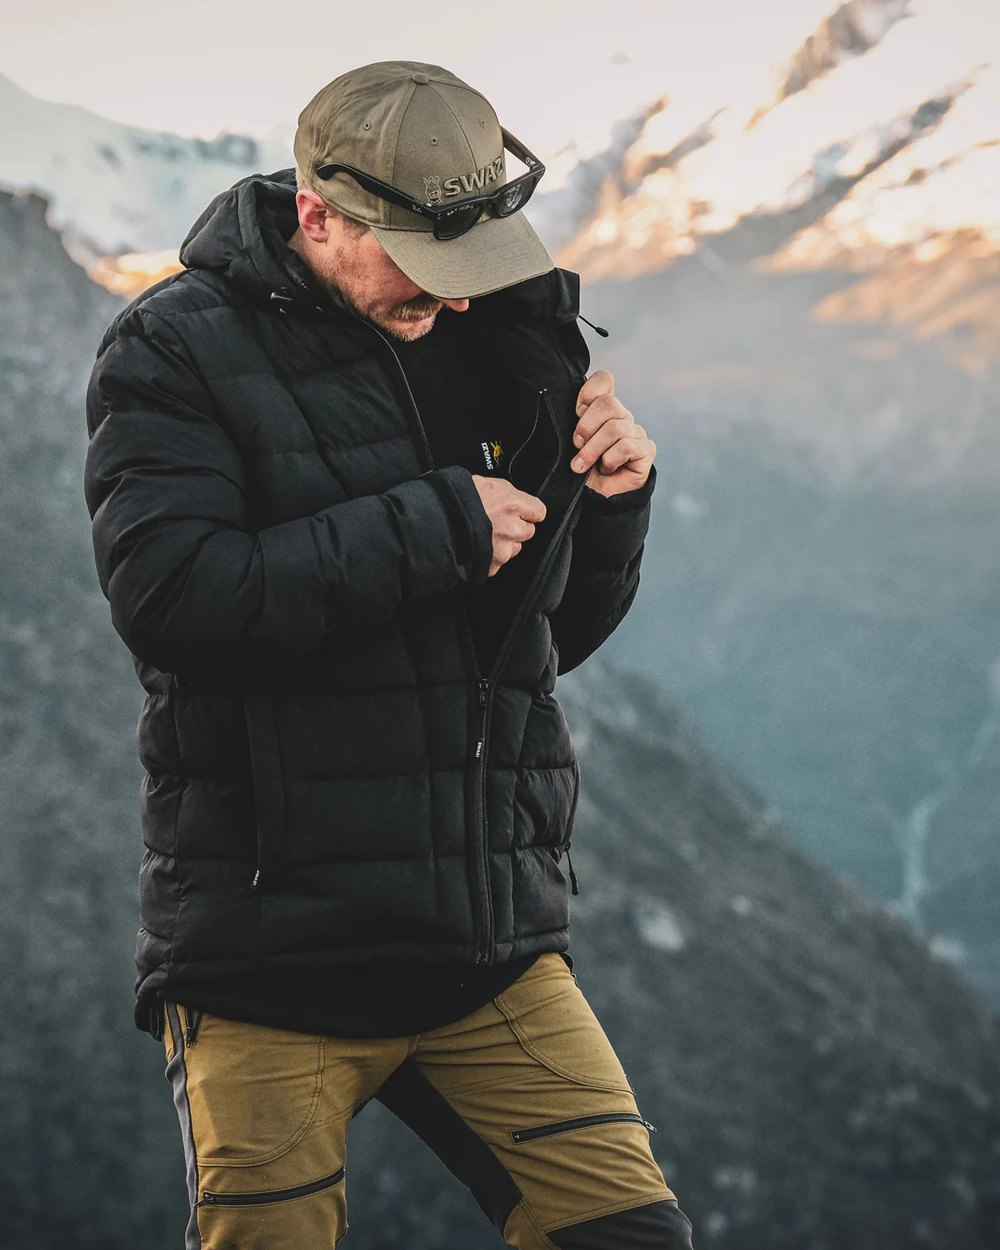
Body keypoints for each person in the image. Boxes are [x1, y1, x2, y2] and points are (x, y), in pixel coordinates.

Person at [84, 60, 694, 1250]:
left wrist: (615, 504)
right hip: (270, 958)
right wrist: (436, 525)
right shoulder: (172, 348)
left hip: (489, 948)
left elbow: (544, 641)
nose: (454, 296)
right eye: (421, 260)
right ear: (318, 214)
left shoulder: (505, 329)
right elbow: (174, 600)